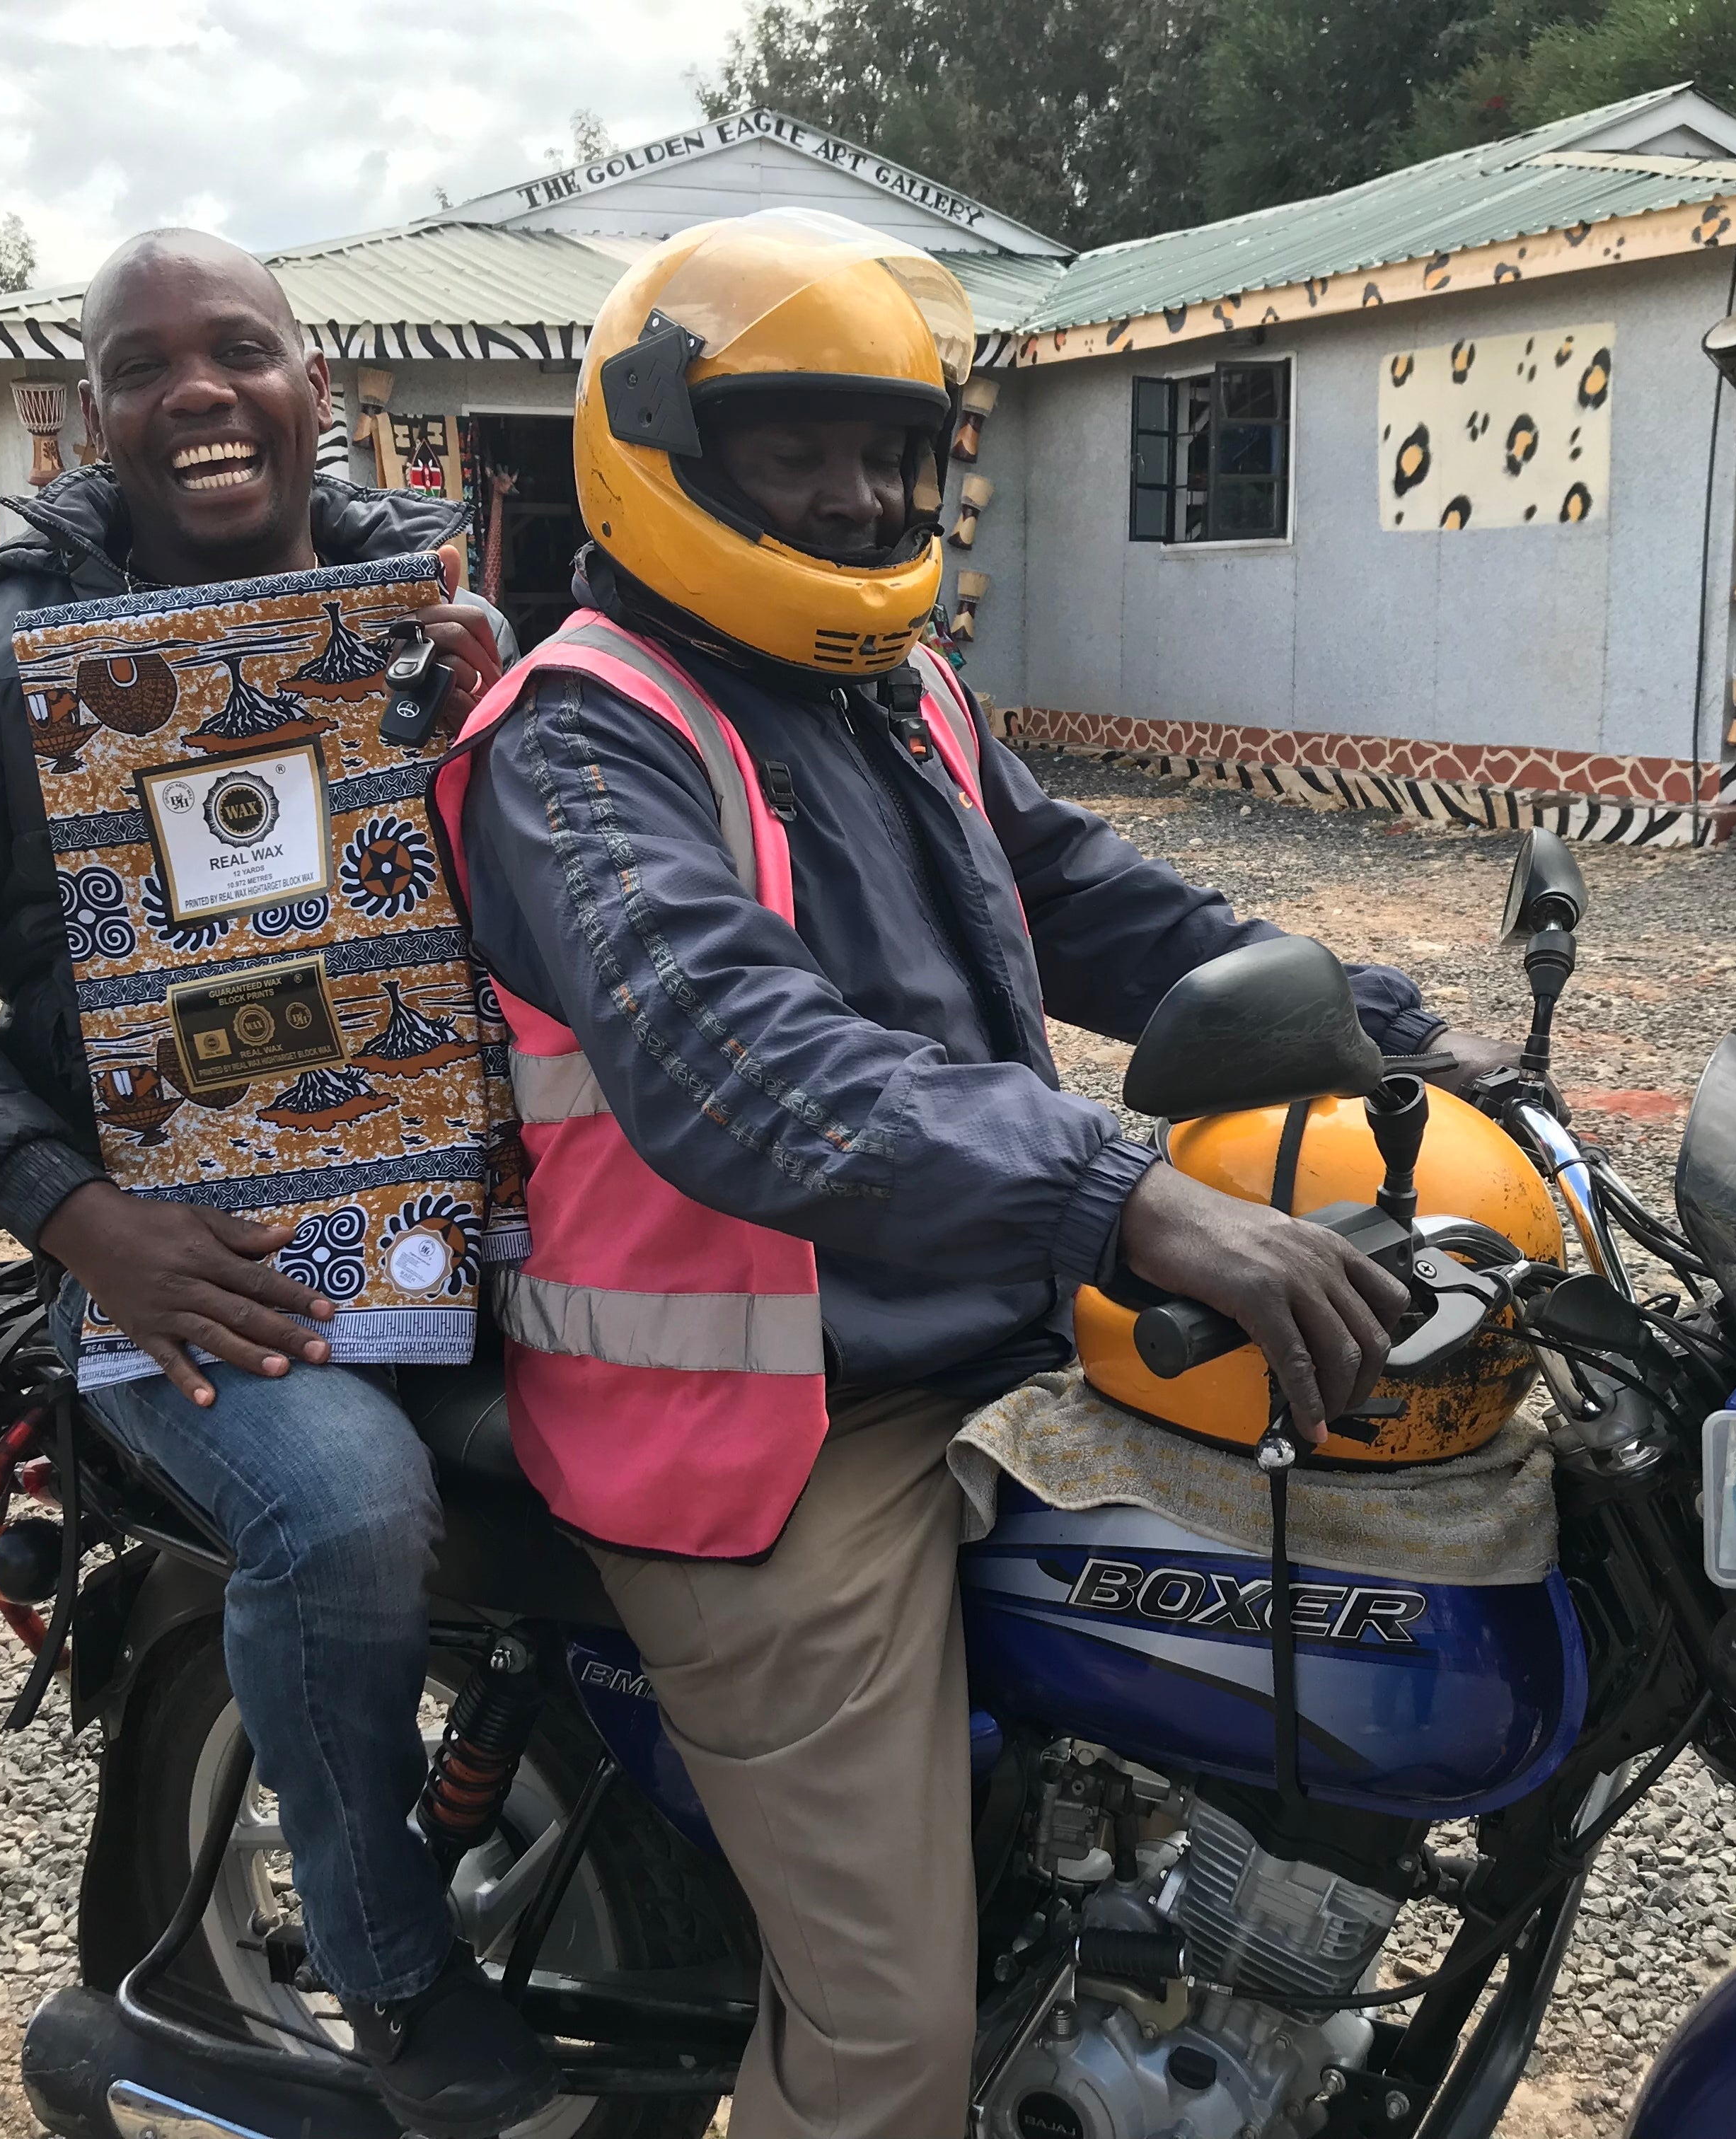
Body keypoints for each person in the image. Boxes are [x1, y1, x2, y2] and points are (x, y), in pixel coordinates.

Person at [440, 209, 1516, 2138]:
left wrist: (1362, 1023)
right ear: (665, 444)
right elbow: (734, 1062)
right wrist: (1127, 1187)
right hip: (758, 1430)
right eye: (796, 446)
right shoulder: (584, 736)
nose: (859, 492)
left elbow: (1087, 895)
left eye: (889, 447)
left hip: (980, 1335)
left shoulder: (897, 684)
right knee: (886, 2051)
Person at [0, 229, 558, 2138]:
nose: (199, 392)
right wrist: (82, 1220)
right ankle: (386, 1972)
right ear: (96, 416)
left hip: (457, 1226)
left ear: (319, 388)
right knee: (350, 1506)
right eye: (146, 368)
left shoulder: (427, 618)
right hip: (171, 1259)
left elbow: (562, 926)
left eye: (241, 352)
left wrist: (511, 740)